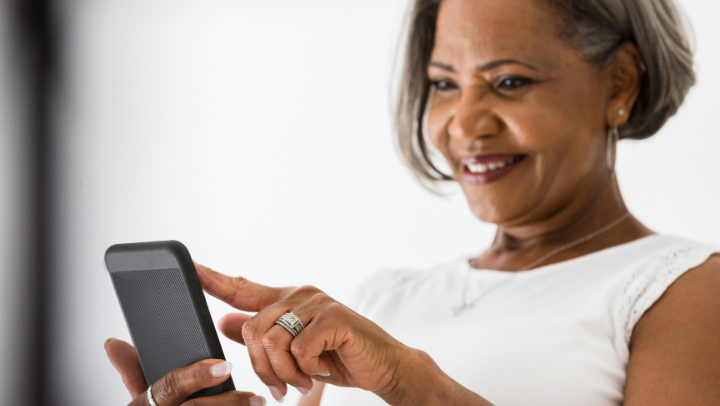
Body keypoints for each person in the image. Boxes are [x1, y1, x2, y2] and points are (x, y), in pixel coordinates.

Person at [105, 0, 720, 405]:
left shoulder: (684, 290)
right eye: (445, 84)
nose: (465, 123)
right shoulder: (383, 298)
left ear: (622, 82)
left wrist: (412, 383)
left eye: (509, 82)